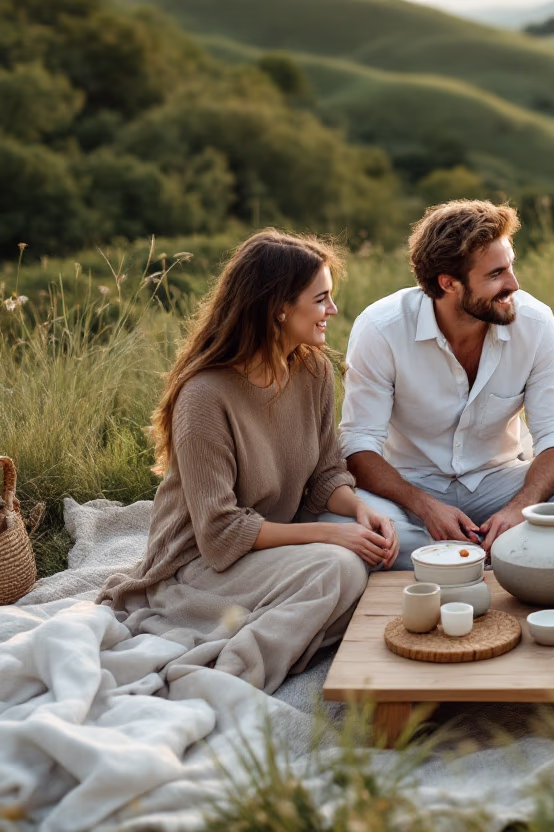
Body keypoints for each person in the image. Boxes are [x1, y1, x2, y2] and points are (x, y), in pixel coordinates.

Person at [98, 229, 399, 694]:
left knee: (370, 568)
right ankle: (235, 675)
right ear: (279, 308)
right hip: (198, 566)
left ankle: (286, 626)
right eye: (321, 299)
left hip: (265, 550)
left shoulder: (313, 370)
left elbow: (326, 475)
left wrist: (360, 510)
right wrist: (331, 534)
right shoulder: (204, 395)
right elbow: (220, 535)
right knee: (340, 569)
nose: (333, 311)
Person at [321, 200, 554, 565]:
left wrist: (521, 507)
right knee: (339, 519)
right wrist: (425, 506)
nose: (513, 284)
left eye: (511, 266)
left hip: (498, 481)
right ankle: (510, 553)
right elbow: (359, 444)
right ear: (449, 283)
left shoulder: (535, 323)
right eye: (496, 274)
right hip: (408, 488)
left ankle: (449, 557)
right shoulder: (381, 328)